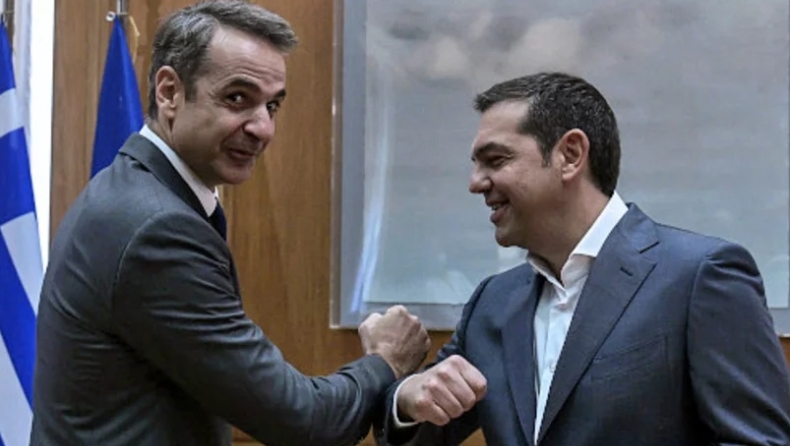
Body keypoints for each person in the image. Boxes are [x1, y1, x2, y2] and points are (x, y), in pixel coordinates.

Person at [31, 1, 430, 445]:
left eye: (272, 106)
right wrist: (385, 361)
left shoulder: (134, 194)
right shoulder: (156, 229)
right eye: (238, 98)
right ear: (169, 92)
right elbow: (304, 421)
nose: (263, 128)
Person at [374, 72, 790, 445]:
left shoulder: (700, 276)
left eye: (496, 160)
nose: (475, 183)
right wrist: (406, 399)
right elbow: (423, 431)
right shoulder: (492, 303)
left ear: (570, 155)